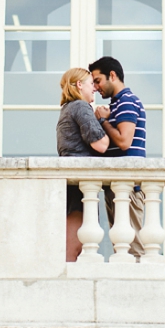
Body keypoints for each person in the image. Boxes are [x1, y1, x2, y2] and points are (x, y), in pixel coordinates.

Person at [88, 55, 146, 259]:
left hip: (128, 188)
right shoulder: (117, 104)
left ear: (112, 75)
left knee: (134, 249)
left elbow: (124, 141)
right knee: (122, 248)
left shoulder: (127, 102)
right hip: (118, 187)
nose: (95, 87)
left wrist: (103, 121)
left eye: (97, 80)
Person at [56, 68, 109, 262]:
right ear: (79, 85)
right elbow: (101, 144)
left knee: (75, 245)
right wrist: (103, 119)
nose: (94, 88)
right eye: (90, 83)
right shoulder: (80, 106)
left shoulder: (67, 109)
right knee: (74, 247)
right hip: (79, 186)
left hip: (72, 185)